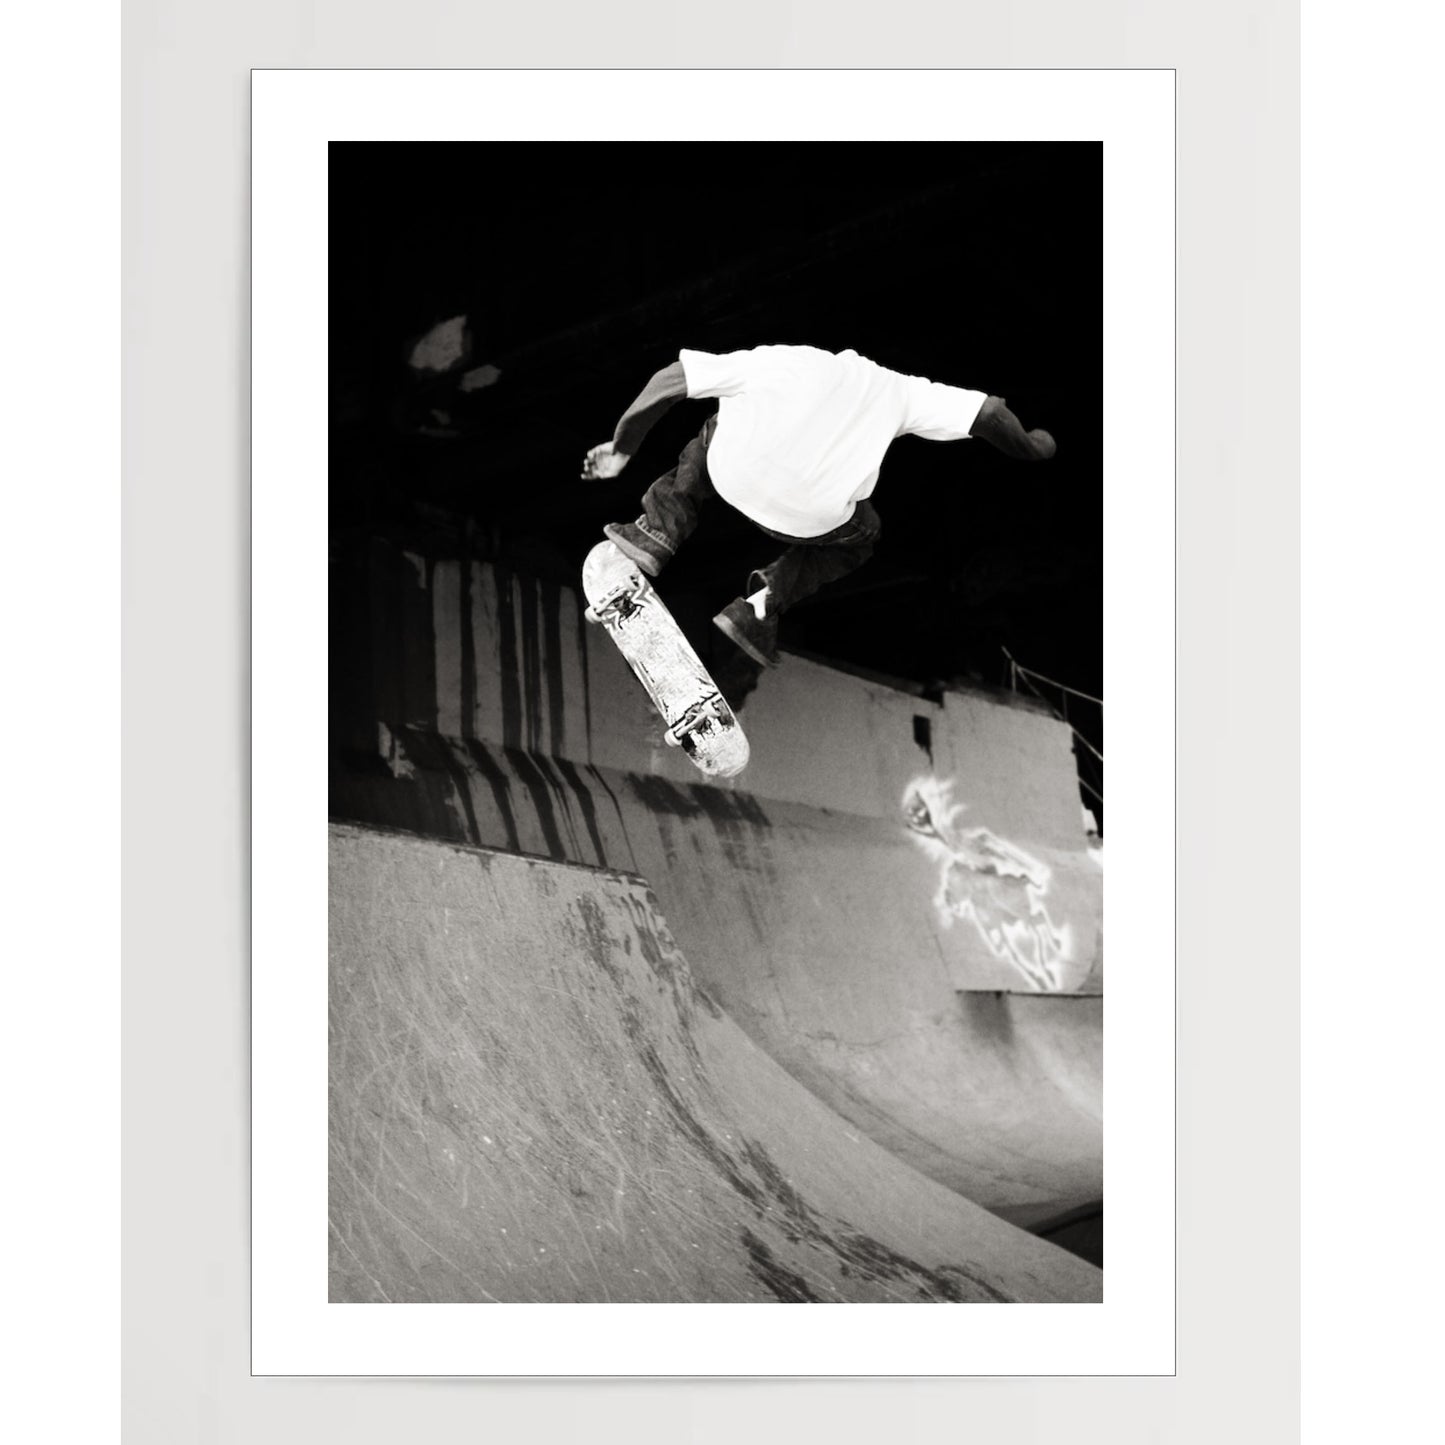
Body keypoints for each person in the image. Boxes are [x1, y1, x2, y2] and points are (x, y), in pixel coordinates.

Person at [582, 344, 1056, 668]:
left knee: (714, 428)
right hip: (811, 520)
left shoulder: (780, 359)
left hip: (733, 474)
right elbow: (991, 414)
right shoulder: (905, 390)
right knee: (862, 536)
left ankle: (656, 533)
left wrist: (623, 447)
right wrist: (1034, 447)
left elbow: (673, 379)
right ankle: (759, 608)